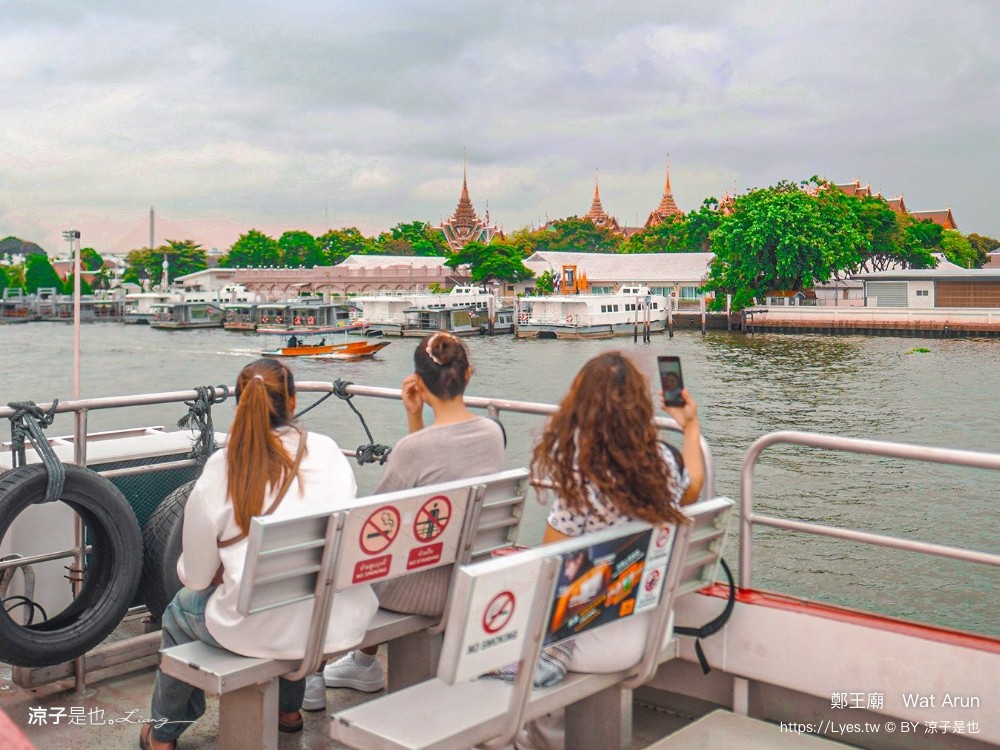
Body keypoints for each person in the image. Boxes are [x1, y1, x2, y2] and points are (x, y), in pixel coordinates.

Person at [140, 358, 377, 750]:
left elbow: (195, 578)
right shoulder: (329, 451)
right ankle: (289, 711)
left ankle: (163, 734)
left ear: (239, 405)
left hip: (260, 628)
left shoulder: (223, 466)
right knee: (297, 590)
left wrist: (223, 571)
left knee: (180, 610)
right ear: (294, 400)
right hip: (334, 620)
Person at [516, 351, 704, 750]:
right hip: (648, 628)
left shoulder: (581, 475)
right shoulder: (665, 464)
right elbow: (694, 486)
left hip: (590, 643)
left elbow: (550, 568)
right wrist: (690, 427)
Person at [306, 331, 505, 708]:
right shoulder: (492, 433)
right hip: (469, 579)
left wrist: (413, 416)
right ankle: (361, 663)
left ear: (418, 381)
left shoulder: (413, 449)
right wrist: (416, 417)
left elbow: (379, 524)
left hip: (420, 591)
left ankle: (312, 674)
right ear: (468, 375)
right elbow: (418, 496)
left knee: (337, 559)